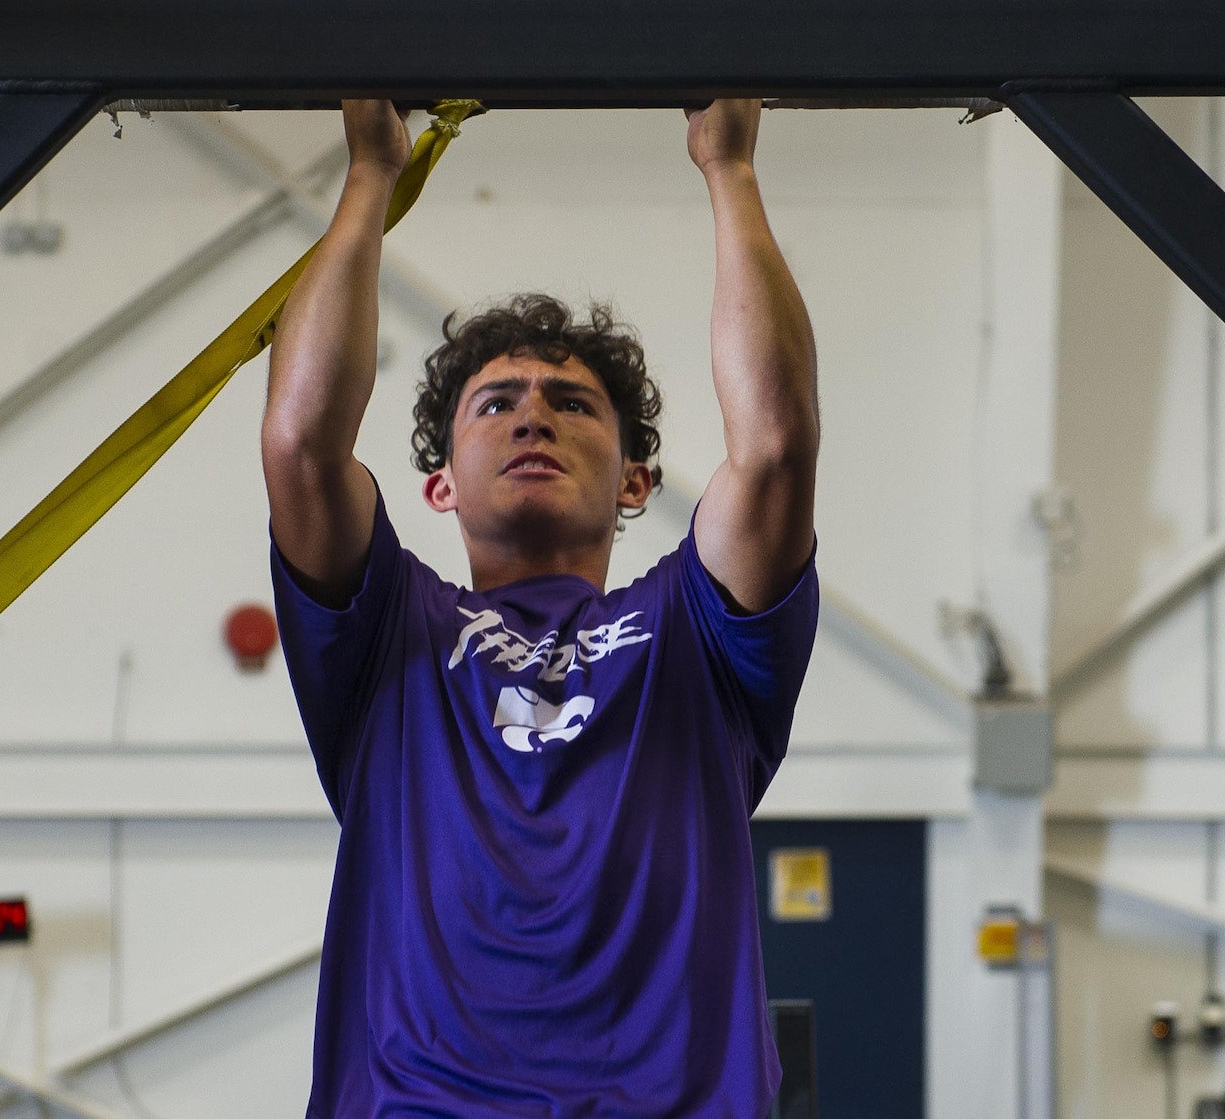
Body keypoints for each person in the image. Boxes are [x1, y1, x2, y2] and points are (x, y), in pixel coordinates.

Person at [261, 98, 820, 1118]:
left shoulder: (694, 632)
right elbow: (300, 442)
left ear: (634, 484)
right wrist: (369, 174)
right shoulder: (388, 631)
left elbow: (775, 447)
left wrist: (727, 167)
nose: (531, 415)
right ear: (437, 487)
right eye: (496, 401)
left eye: (570, 404)